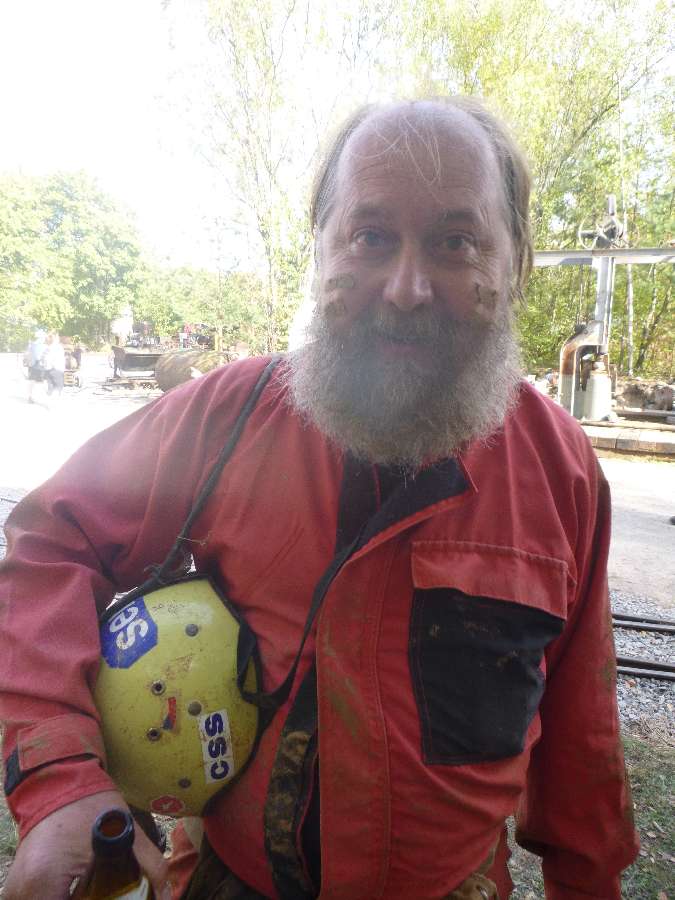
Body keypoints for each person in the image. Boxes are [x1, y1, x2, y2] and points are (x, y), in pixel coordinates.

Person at [0, 97, 638, 900]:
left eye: (455, 241)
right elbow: (49, 545)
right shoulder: (227, 418)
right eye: (370, 236)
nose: (406, 288)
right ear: (321, 251)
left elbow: (581, 737)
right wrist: (60, 776)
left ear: (515, 266)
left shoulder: (559, 468)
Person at [41, 332, 66, 401]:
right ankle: (54, 403)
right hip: (57, 369)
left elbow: (43, 358)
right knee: (58, 388)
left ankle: (50, 402)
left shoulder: (47, 348)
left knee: (50, 388)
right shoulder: (58, 347)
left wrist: (45, 366)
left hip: (48, 370)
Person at [24, 328, 46, 403]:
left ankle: (31, 397)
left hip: (33, 365)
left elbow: (27, 354)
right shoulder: (43, 346)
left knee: (32, 382)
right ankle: (33, 397)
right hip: (39, 365)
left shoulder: (31, 344)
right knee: (39, 382)